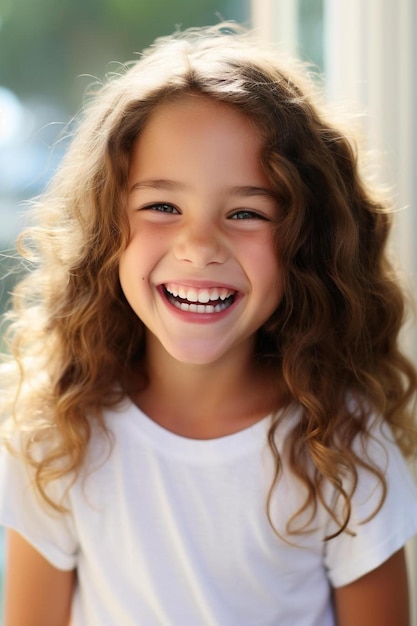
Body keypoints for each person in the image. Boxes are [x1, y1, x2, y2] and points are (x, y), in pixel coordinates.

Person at [1, 22, 417, 626]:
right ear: (106, 234)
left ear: (307, 243)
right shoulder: (56, 436)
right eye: (162, 207)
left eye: (246, 211)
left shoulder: (344, 447)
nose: (200, 245)